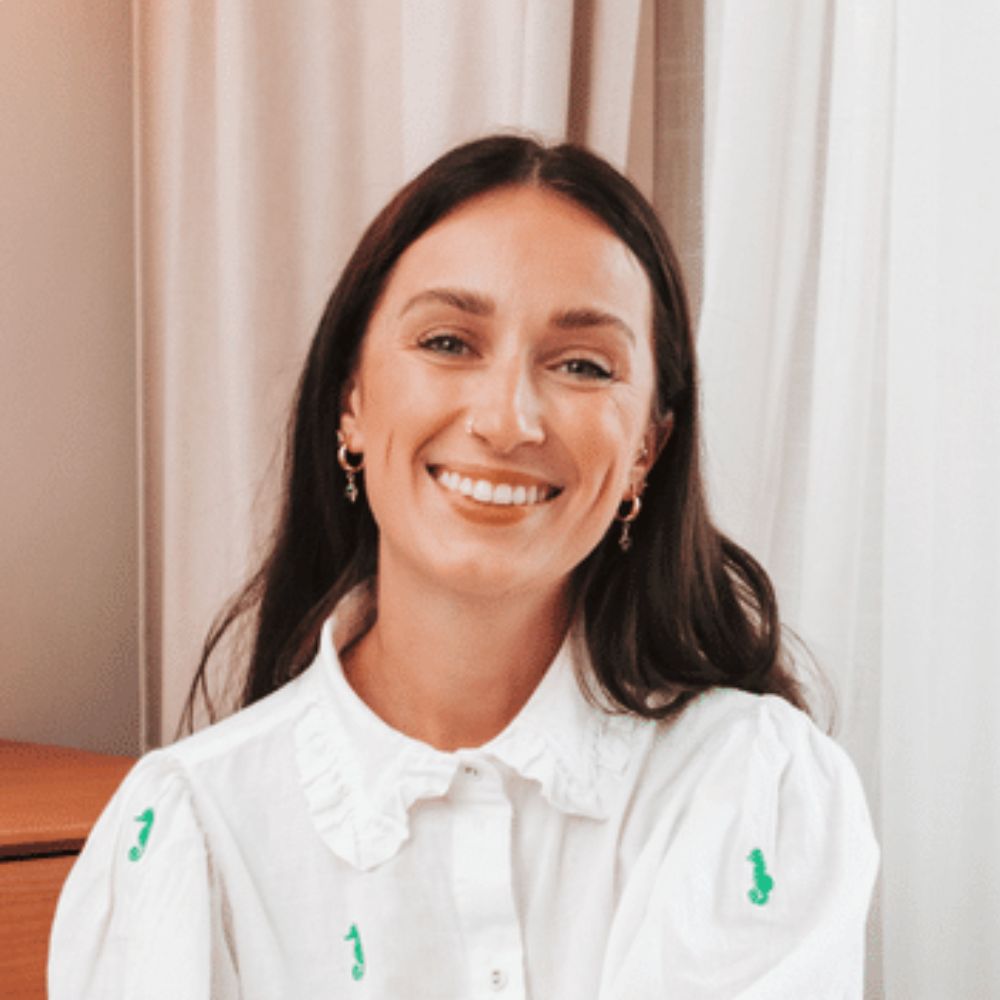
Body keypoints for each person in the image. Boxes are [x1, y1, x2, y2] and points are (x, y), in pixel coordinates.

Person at [49, 134, 878, 998]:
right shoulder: (191, 828)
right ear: (353, 400)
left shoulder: (750, 789)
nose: (507, 418)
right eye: (448, 342)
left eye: (583, 365)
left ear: (646, 450)